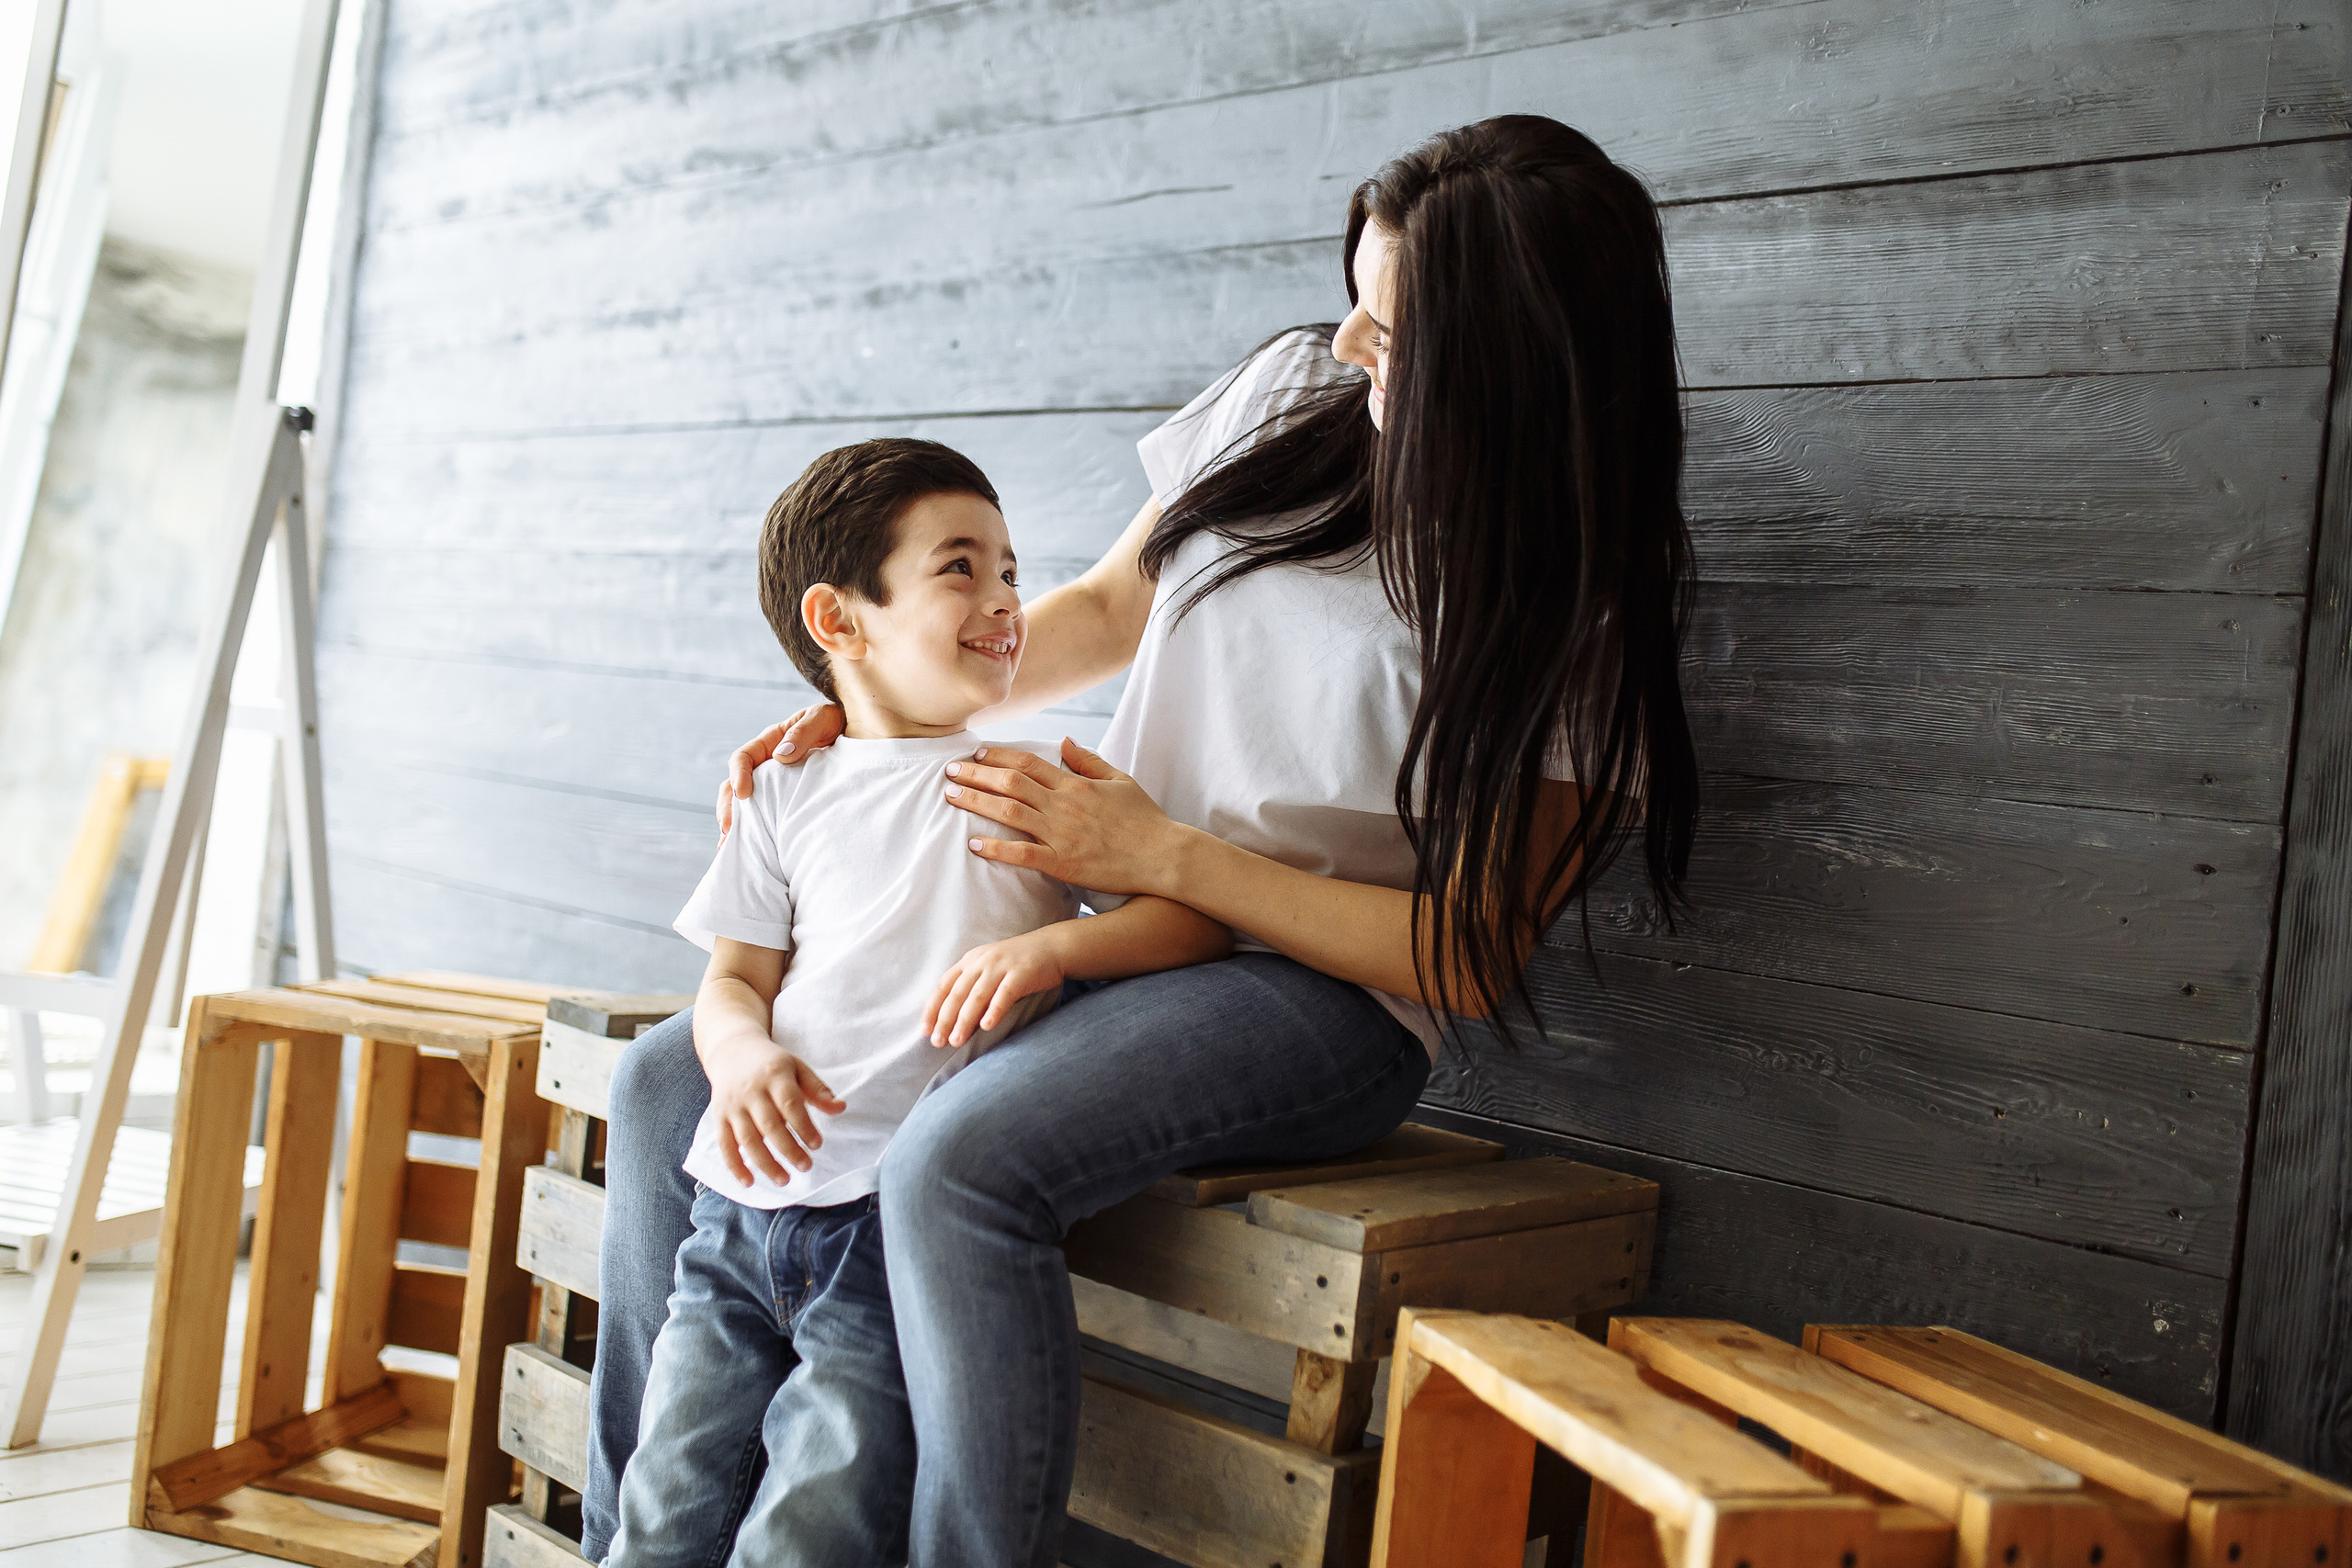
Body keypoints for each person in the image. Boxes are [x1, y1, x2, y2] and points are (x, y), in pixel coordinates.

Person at [583, 114, 1701, 1567]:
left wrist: (1170, 856)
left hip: (1311, 990)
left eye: (1394, 329)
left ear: (1514, 358)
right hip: (1106, 907)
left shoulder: (1584, 599)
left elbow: (1471, 953)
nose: (1350, 345)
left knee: (956, 1162)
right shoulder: (1295, 393)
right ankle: (625, 1543)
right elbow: (1109, 608)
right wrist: (870, 710)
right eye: (1355, 304)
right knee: (670, 1076)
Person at [599, 436, 1229, 1568]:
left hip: (885, 1241)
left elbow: (1189, 922)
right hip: (735, 1222)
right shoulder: (784, 788)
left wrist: (1053, 950)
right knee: (666, 1512)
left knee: (812, 1530)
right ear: (838, 620)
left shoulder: (1030, 782)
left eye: (1011, 571)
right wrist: (738, 1059)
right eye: (960, 568)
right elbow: (732, 982)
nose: (1005, 599)